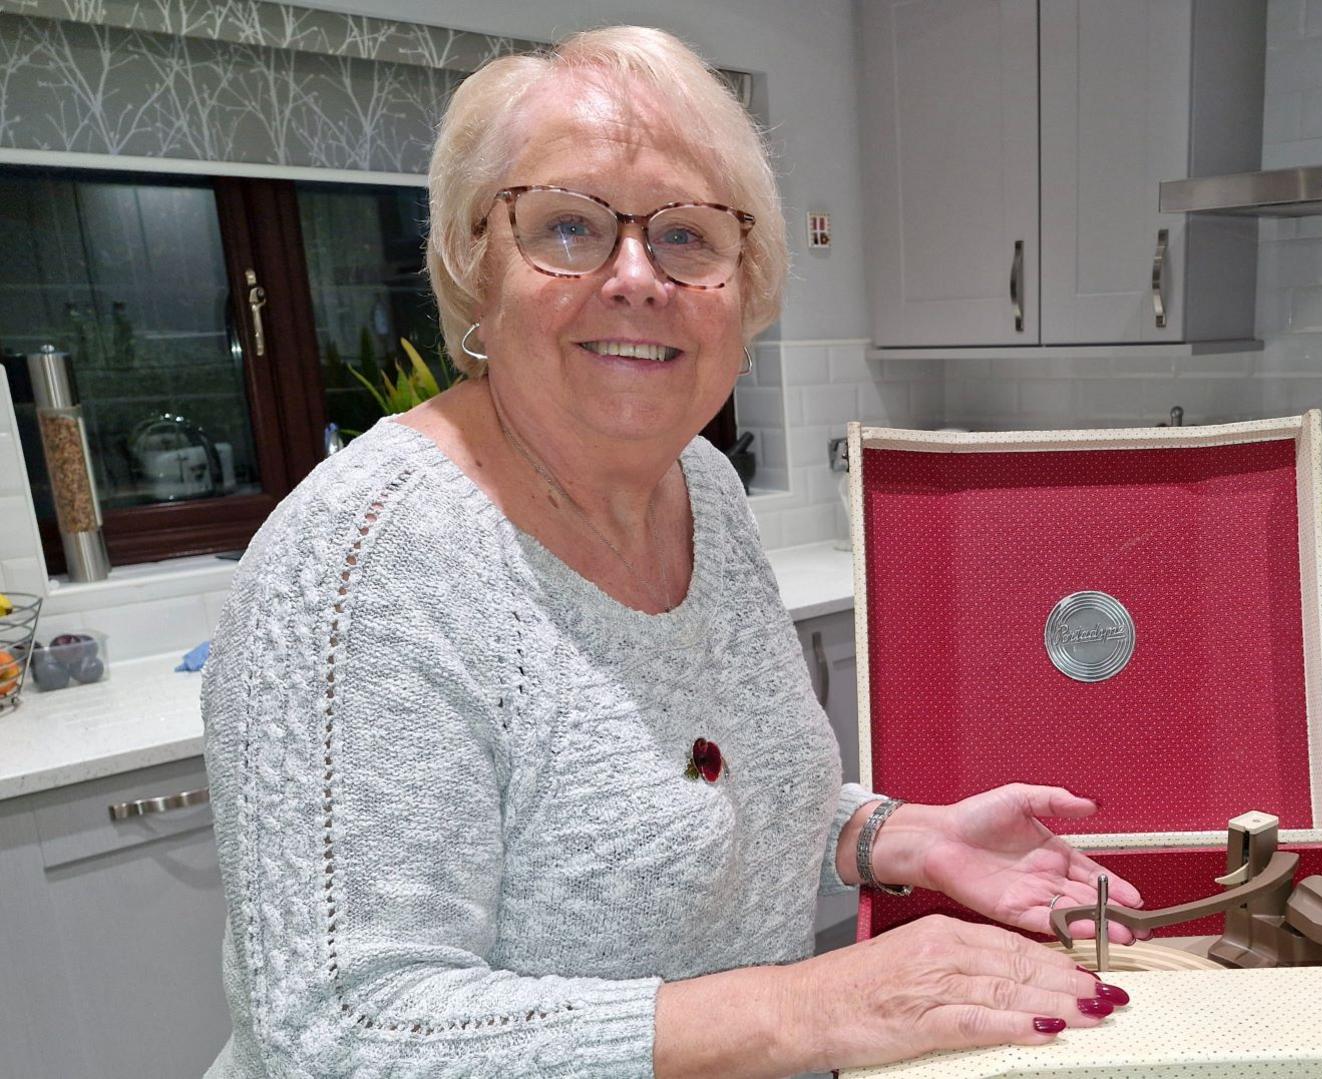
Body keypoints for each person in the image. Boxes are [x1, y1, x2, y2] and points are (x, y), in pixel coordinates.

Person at [199, 26, 1143, 1078]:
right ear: (476, 264)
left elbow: (697, 787)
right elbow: (336, 1032)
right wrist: (804, 1007)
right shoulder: (365, 560)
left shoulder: (698, 484)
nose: (636, 275)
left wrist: (897, 835)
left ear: (749, 284)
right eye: (568, 226)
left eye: (689, 236)